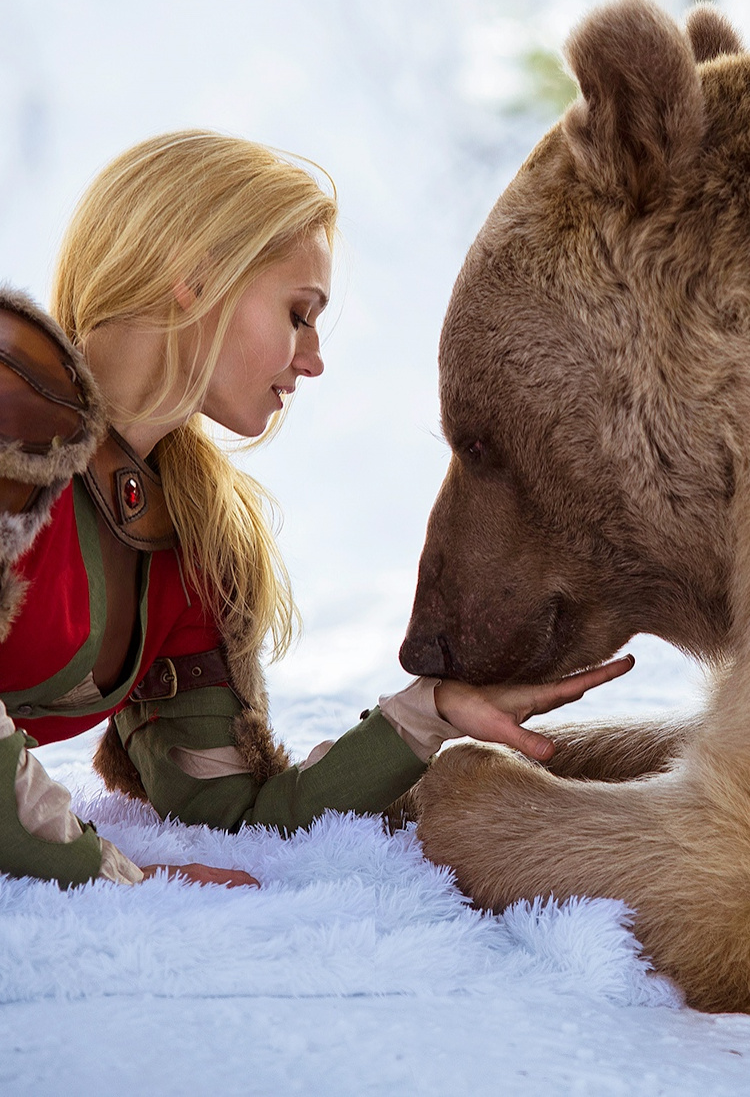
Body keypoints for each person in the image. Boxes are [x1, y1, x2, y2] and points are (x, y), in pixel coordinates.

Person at [0, 130, 633, 890]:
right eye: (300, 312)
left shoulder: (191, 543)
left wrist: (427, 713)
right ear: (196, 277)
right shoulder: (11, 407)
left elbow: (234, 814)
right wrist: (102, 870)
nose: (313, 356)